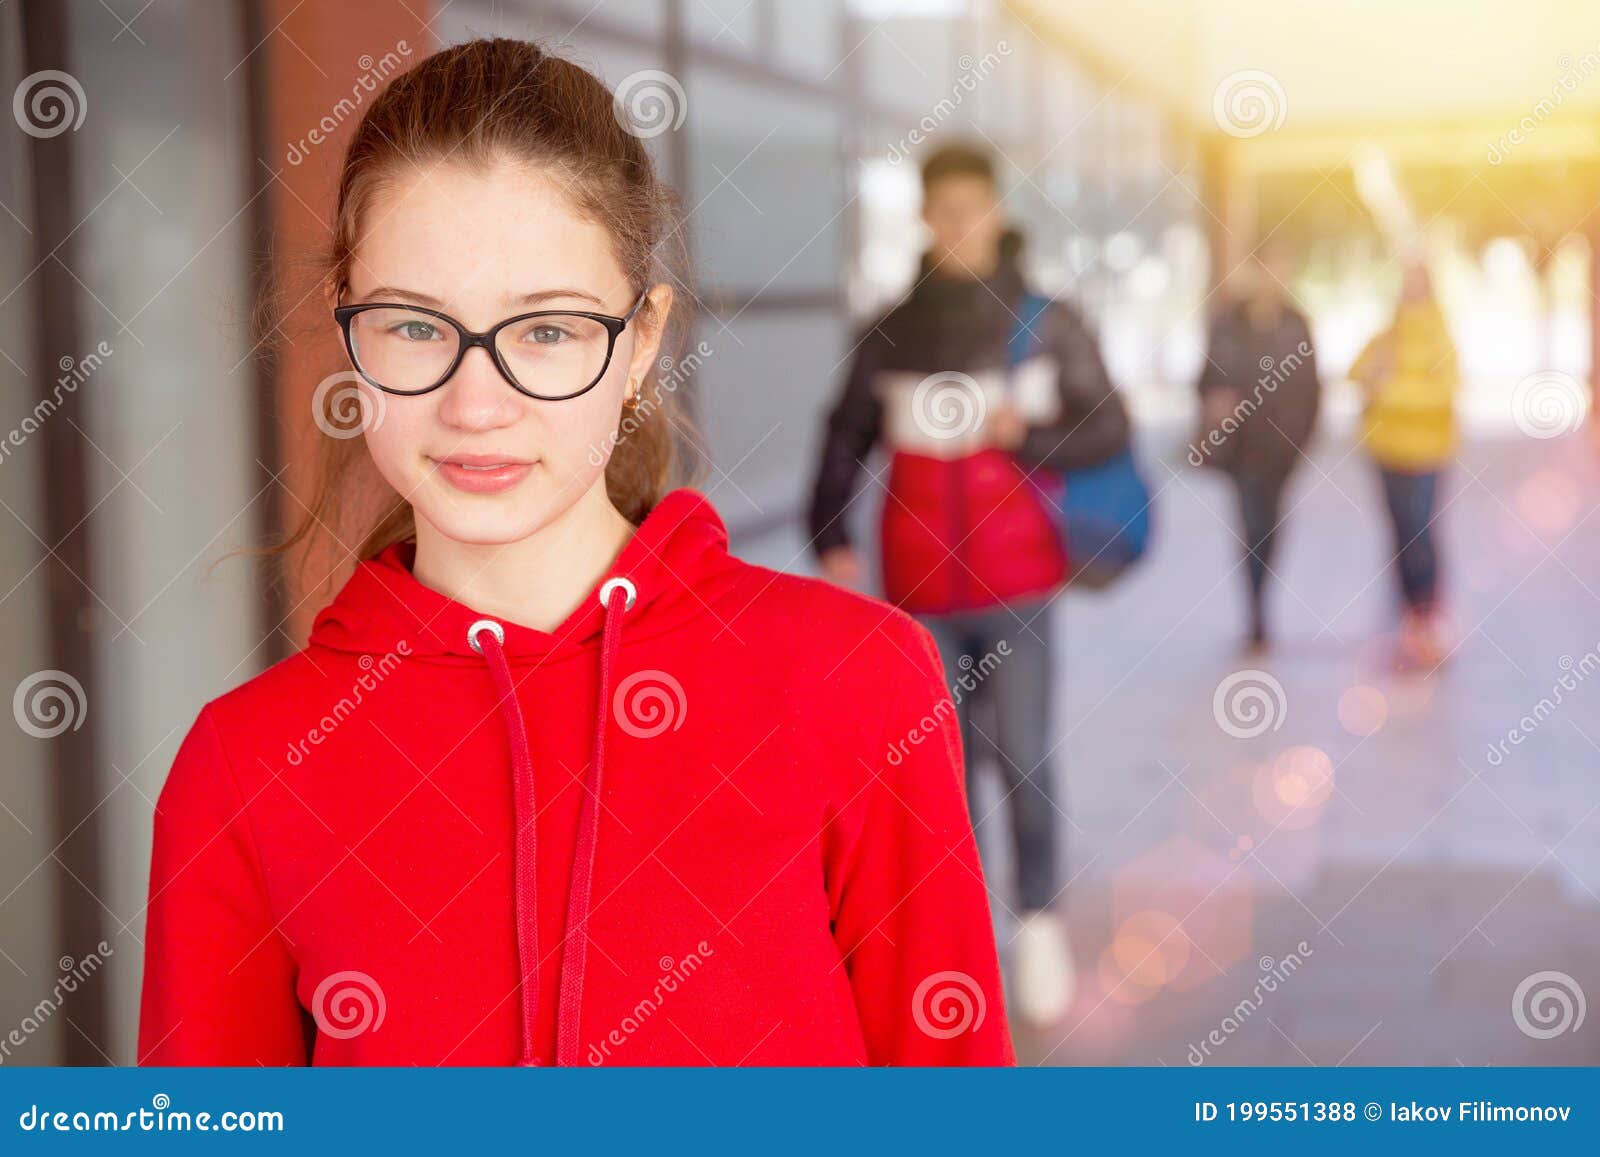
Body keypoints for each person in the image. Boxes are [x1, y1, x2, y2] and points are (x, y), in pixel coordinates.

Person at [137, 39, 1013, 1067]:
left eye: (546, 331)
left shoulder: (858, 684)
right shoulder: (244, 769)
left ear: (640, 340)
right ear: (349, 333)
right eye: (416, 326)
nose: (475, 404)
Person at [807, 142, 1129, 1025]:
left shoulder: (1046, 320)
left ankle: (1040, 924)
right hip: (916, 595)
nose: (957, 227)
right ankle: (966, 945)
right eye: (941, 211)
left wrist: (1027, 431)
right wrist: (829, 530)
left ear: (995, 211)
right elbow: (843, 435)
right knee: (936, 781)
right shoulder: (889, 329)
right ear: (923, 218)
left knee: (1024, 755)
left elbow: (1110, 428)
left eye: (971, 209)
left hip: (1019, 581)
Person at [1195, 245, 1321, 651]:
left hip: (1282, 450)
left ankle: (1262, 596)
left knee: (1272, 528)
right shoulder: (1228, 322)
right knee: (1250, 526)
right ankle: (1255, 611)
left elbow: (1313, 390)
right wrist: (1216, 400)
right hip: (1241, 448)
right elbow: (1203, 378)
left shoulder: (1297, 324)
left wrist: (1300, 442)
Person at [1349, 259, 1459, 667]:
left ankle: (1429, 614)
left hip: (1428, 453)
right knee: (1398, 533)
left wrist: (1388, 390)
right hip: (1385, 451)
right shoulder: (1385, 338)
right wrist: (1377, 382)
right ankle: (1407, 619)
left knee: (1421, 530)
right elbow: (1356, 373)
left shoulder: (1439, 340)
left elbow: (1442, 394)